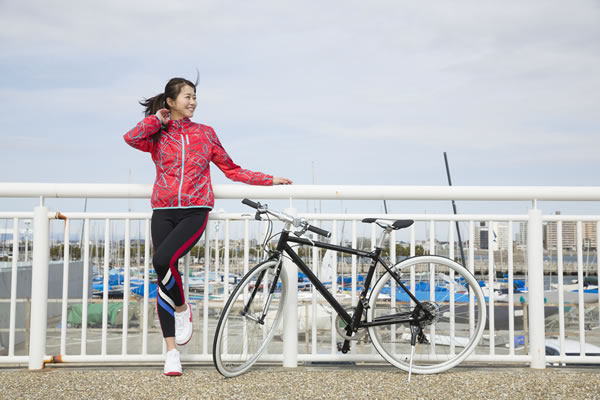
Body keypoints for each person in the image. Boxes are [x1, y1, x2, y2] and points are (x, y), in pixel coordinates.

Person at [124, 77, 292, 376]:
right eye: (187, 97)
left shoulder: (205, 133)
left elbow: (231, 169)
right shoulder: (158, 133)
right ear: (171, 101)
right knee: (162, 276)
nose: (193, 102)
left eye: (195, 97)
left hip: (195, 210)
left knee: (162, 261)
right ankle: (171, 352)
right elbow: (131, 138)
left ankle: (181, 308)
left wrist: (269, 179)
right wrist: (156, 120)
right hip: (163, 210)